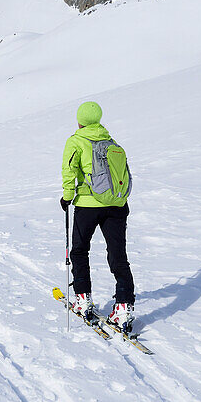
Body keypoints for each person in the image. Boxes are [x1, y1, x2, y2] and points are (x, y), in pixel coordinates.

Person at [60, 100, 135, 332]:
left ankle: (83, 298)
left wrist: (67, 196)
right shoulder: (112, 142)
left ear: (80, 120)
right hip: (117, 204)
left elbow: (69, 170)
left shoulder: (76, 141)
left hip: (89, 205)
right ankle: (124, 306)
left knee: (80, 250)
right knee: (118, 255)